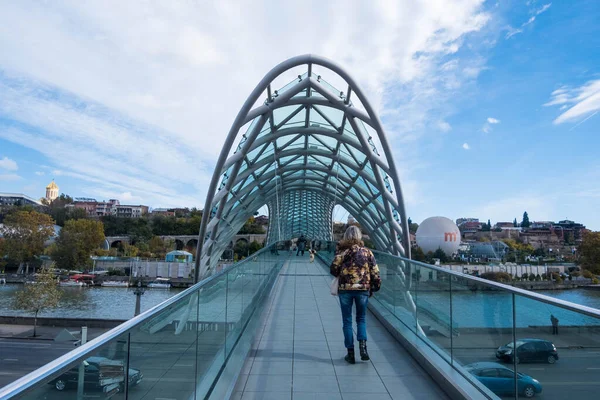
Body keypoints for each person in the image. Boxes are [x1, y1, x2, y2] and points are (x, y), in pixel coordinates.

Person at [330, 226, 381, 364]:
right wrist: (375, 287)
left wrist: (343, 271)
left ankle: (350, 353)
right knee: (361, 319)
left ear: (346, 236)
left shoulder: (342, 252)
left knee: (347, 321)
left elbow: (333, 270)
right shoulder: (367, 252)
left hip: (345, 289)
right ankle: (363, 348)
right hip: (362, 289)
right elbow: (375, 272)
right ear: (359, 236)